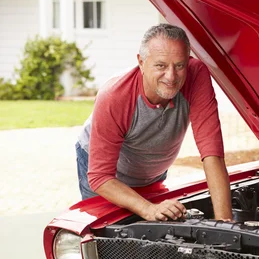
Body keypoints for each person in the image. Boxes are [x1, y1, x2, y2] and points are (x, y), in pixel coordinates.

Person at [75, 23, 233, 222]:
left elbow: (212, 153)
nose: (171, 76)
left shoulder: (196, 75)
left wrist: (226, 224)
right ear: (141, 62)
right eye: (161, 65)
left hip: (152, 168)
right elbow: (100, 177)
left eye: (180, 65)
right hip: (105, 173)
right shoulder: (114, 96)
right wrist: (147, 208)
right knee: (108, 236)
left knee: (153, 233)